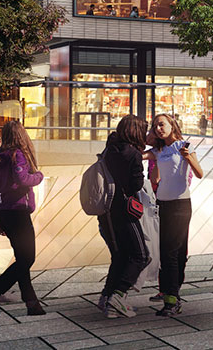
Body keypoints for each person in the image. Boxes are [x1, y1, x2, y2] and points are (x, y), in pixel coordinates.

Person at [0, 118, 46, 316]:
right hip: (19, 213)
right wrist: (39, 176)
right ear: (21, 135)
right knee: (28, 258)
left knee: (21, 259)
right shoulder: (18, 155)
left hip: (6, 214)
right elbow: (22, 178)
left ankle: (32, 304)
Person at [91, 115, 151, 319]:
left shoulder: (109, 149)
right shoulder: (132, 153)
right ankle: (117, 295)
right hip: (125, 211)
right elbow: (135, 185)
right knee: (141, 255)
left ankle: (106, 298)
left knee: (119, 255)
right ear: (136, 132)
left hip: (106, 211)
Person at [148, 113, 203, 317]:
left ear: (172, 125)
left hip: (181, 205)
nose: (158, 129)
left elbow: (199, 173)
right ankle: (173, 292)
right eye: (155, 126)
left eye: (162, 125)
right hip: (163, 204)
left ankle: (172, 299)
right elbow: (154, 174)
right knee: (171, 252)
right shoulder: (157, 150)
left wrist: (188, 157)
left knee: (174, 252)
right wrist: (155, 170)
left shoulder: (184, 146)